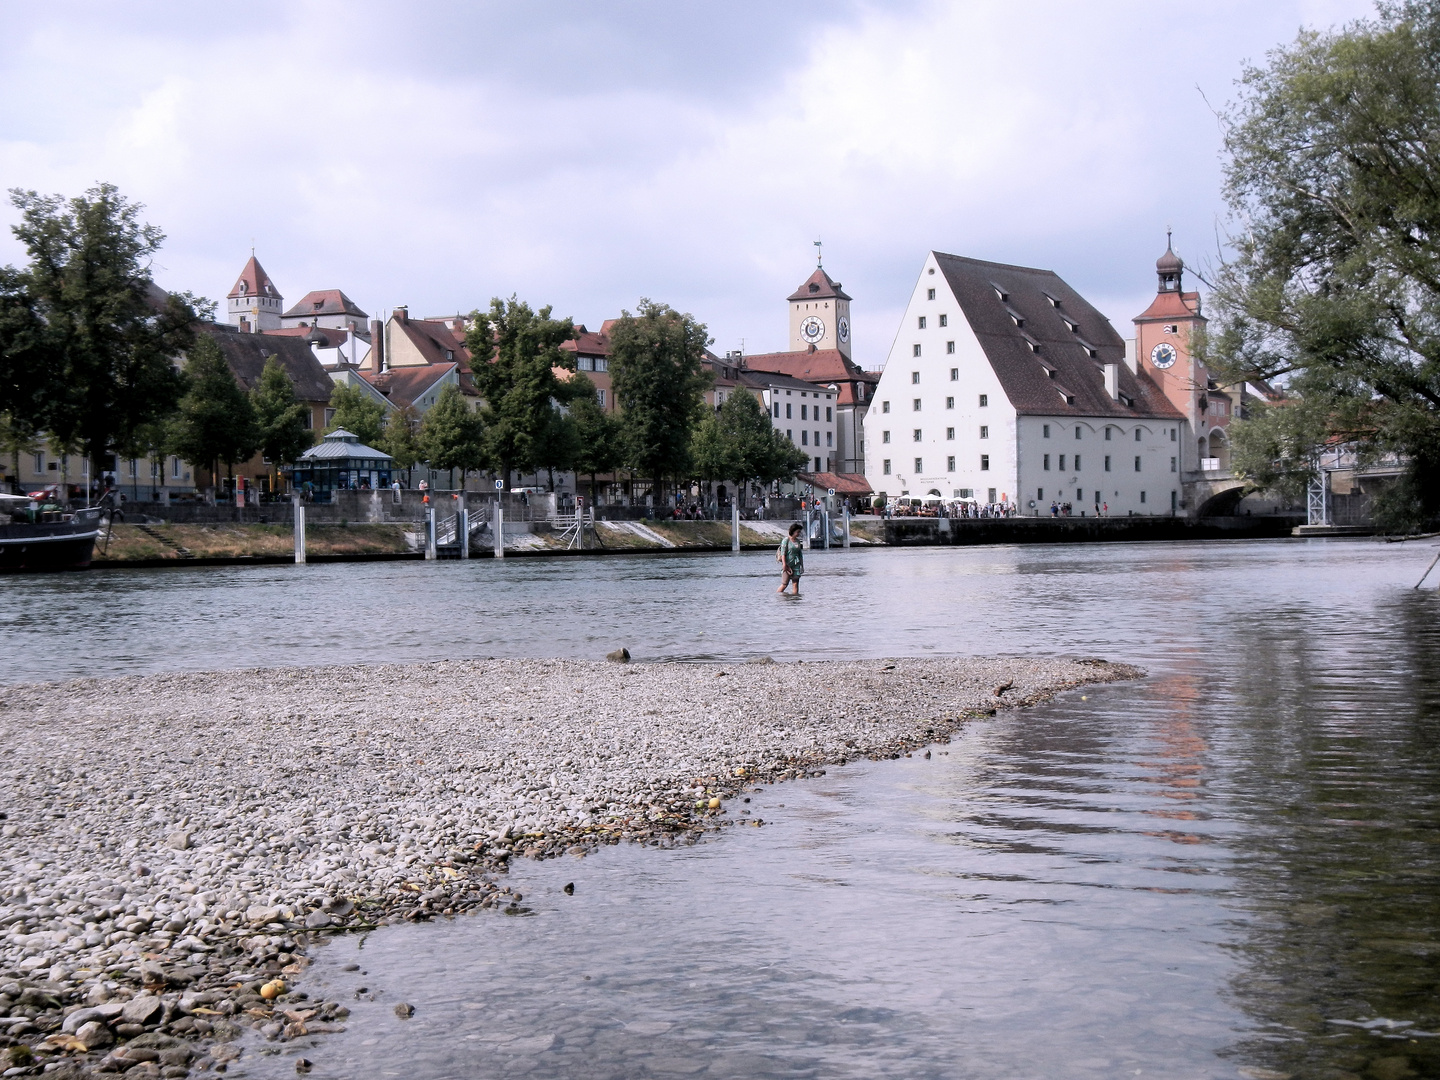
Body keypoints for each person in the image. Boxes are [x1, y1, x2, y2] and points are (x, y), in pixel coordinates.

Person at [776, 522, 804, 596]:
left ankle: (795, 599)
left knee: (795, 583)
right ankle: (778, 597)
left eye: (799, 532)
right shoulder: (786, 540)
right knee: (784, 584)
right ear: (793, 531)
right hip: (787, 565)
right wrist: (784, 564)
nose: (798, 534)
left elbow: (800, 554)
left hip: (796, 564)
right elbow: (783, 553)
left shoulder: (798, 541)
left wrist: (802, 565)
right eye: (797, 532)